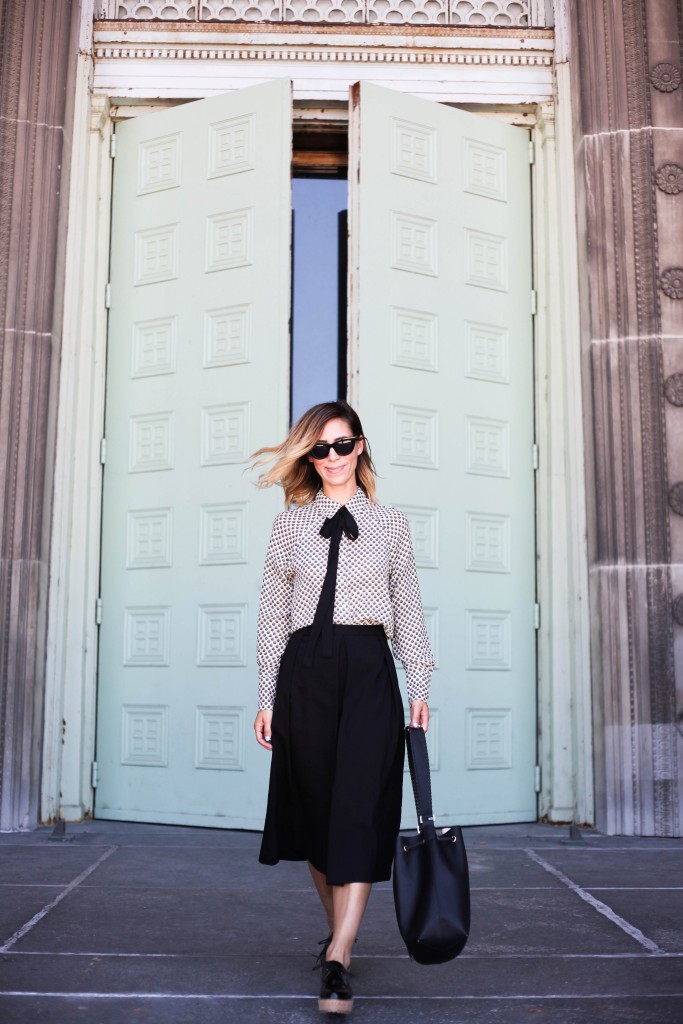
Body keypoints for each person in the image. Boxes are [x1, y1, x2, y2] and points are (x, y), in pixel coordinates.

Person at [252, 400, 433, 1014]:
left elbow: (406, 606)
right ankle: (342, 936)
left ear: (360, 446)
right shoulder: (289, 526)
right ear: (310, 456)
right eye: (320, 448)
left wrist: (420, 685)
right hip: (304, 675)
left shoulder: (392, 524)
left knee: (361, 809)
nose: (331, 457)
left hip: (366, 672)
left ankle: (338, 956)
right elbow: (274, 615)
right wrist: (265, 697)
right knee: (316, 817)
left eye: (341, 444)